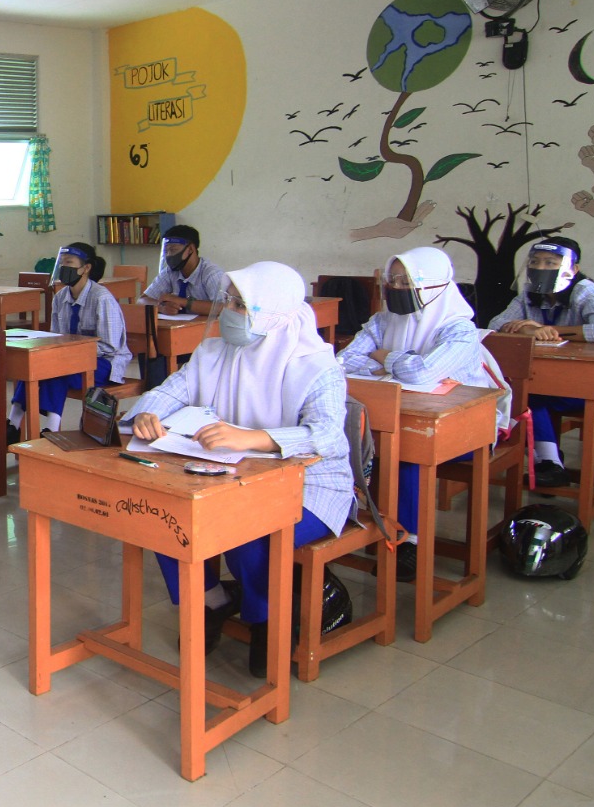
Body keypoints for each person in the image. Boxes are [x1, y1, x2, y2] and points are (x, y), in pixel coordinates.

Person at [126, 262, 352, 677]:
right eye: (227, 299)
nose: (228, 309)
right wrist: (146, 415)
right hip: (234, 473)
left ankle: (267, 620)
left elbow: (329, 438)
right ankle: (214, 600)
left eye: (239, 303)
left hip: (312, 484)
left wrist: (253, 437)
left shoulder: (317, 366)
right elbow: (167, 392)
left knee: (247, 528)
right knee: (163, 513)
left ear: (274, 313)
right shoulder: (214, 351)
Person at [339, 247, 498, 581]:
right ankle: (357, 520)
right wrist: (394, 361)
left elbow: (425, 375)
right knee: (368, 439)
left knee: (405, 454)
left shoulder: (459, 329)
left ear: (435, 285)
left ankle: (409, 540)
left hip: (463, 425)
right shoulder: (383, 320)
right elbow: (345, 360)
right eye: (392, 279)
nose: (395, 287)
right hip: (401, 414)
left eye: (405, 280)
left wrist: (384, 357)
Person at [487, 237, 594, 487]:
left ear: (573, 269)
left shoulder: (589, 292)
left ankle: (547, 461)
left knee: (527, 397)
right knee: (525, 395)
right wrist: (527, 330)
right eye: (536, 262)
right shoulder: (528, 294)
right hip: (541, 379)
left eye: (551, 263)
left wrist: (549, 329)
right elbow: (495, 324)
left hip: (589, 383)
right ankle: (549, 464)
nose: (542, 268)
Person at [0, 242, 131, 440]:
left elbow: (110, 346)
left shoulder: (102, 299)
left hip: (105, 362)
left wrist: (71, 354)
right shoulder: (60, 297)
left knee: (57, 371)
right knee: (33, 367)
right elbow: (56, 337)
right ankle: (13, 426)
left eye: (69, 262)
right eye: (62, 263)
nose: (63, 267)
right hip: (72, 358)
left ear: (86, 268)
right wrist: (63, 354)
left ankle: (51, 431)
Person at [140, 224, 228, 317]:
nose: (169, 255)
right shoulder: (170, 272)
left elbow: (224, 308)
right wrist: (161, 306)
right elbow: (142, 300)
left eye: (173, 250)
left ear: (190, 249)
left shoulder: (211, 273)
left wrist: (181, 301)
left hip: (208, 328)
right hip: (179, 327)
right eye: (166, 251)